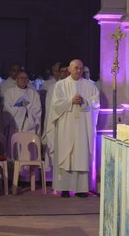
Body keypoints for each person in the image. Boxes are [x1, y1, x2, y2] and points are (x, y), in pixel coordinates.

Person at [48, 59, 100, 198]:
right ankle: (64, 188)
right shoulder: (60, 85)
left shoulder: (90, 85)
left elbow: (96, 103)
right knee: (66, 154)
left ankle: (81, 189)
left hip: (83, 126)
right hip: (66, 124)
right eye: (76, 68)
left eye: (81, 68)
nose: (79, 70)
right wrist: (71, 101)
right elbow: (55, 104)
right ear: (69, 69)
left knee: (81, 154)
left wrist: (85, 101)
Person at [3, 71, 41, 157]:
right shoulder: (9, 92)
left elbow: (37, 110)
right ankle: (15, 170)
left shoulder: (34, 93)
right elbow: (7, 110)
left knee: (29, 154)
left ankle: (30, 169)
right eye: (21, 78)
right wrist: (24, 108)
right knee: (16, 153)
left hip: (29, 126)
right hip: (15, 127)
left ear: (28, 80)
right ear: (16, 80)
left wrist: (26, 110)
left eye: (26, 78)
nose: (24, 80)